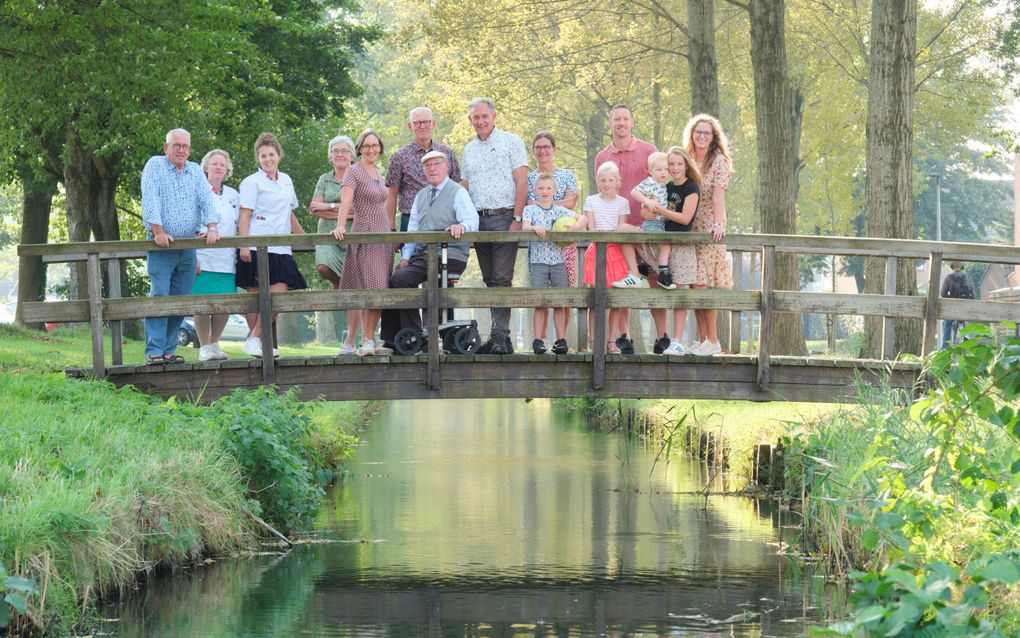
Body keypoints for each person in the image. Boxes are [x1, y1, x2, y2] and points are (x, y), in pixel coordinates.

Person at [379, 150, 478, 350]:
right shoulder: (421, 195)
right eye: (428, 166)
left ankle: (416, 336)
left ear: (446, 167)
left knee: (400, 280)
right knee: (394, 278)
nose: (432, 169)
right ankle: (394, 338)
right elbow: (413, 230)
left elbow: (472, 220)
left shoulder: (457, 191)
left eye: (437, 164)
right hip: (425, 256)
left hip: (451, 255)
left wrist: (462, 227)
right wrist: (405, 257)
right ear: (423, 170)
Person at [140, 128, 219, 365]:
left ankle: (168, 350)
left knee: (181, 299)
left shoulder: (195, 170)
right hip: (162, 246)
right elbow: (150, 198)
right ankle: (154, 351)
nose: (181, 150)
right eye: (176, 145)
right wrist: (158, 232)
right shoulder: (155, 165)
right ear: (166, 148)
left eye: (185, 146)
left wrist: (212, 226)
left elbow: (206, 198)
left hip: (188, 246)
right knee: (160, 295)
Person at [461, 97, 529, 354]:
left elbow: (522, 182)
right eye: (475, 117)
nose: (480, 121)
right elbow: (465, 187)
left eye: (484, 116)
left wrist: (517, 218)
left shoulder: (511, 141)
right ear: (470, 120)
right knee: (491, 279)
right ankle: (501, 336)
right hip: (478, 220)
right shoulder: (468, 149)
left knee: (502, 277)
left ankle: (499, 336)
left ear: (494, 116)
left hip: (505, 217)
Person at [594, 104, 662, 354]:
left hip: (648, 227)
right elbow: (602, 193)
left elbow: (660, 184)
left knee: (656, 280)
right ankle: (625, 337)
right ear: (610, 124)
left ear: (632, 122)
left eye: (625, 119)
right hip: (616, 231)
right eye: (616, 119)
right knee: (621, 282)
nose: (621, 123)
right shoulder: (602, 156)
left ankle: (662, 338)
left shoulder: (648, 150)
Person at [236, 132, 308, 358]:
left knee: (280, 294)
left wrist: (303, 237)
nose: (268, 159)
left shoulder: (286, 180)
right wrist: (244, 246)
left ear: (279, 156)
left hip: (282, 247)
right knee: (256, 296)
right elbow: (244, 216)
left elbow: (289, 212)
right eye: (263, 155)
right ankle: (259, 344)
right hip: (257, 245)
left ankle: (254, 339)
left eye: (271, 155)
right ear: (258, 158)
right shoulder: (251, 182)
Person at [331, 129, 396, 356]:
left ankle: (370, 337)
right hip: (366, 233)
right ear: (359, 149)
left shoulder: (378, 172)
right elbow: (346, 201)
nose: (371, 149)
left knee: (381, 288)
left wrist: (392, 234)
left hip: (383, 237)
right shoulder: (353, 171)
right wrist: (340, 225)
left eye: (375, 145)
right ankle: (365, 340)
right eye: (367, 146)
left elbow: (385, 206)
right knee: (371, 287)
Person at [683, 113, 733, 356]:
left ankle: (713, 339)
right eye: (698, 132)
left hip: (708, 228)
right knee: (694, 284)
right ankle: (702, 338)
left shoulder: (719, 161)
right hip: (688, 226)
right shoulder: (688, 159)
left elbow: (718, 196)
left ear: (714, 137)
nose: (701, 136)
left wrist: (718, 223)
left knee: (704, 283)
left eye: (706, 132)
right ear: (692, 135)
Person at [522, 173, 586, 354]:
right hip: (538, 261)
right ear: (535, 191)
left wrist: (574, 227)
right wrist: (534, 227)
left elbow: (583, 219)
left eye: (548, 188)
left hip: (558, 261)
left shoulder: (559, 211)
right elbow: (524, 226)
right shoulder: (531, 210)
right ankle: (538, 340)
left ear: (555, 191)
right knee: (540, 301)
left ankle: (560, 340)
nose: (545, 191)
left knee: (560, 301)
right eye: (541, 188)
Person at [309, 135, 360, 354]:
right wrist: (341, 207)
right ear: (331, 156)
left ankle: (350, 339)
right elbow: (313, 208)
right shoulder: (324, 179)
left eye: (344, 150)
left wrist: (330, 209)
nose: (339, 154)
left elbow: (359, 210)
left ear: (351, 155)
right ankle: (337, 281)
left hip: (353, 236)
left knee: (354, 288)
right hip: (327, 235)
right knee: (323, 267)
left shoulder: (359, 175)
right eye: (335, 151)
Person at [654, 147, 702, 355]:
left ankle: (678, 340)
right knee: (666, 286)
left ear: (686, 165)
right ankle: (664, 336)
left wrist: (660, 210)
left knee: (680, 289)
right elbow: (655, 212)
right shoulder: (666, 187)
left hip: (682, 244)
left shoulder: (691, 187)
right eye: (671, 164)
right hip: (665, 242)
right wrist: (649, 210)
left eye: (678, 164)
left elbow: (685, 218)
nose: (674, 168)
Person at [193, 149, 240, 362]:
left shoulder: (233, 195)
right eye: (214, 164)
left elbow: (240, 225)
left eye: (222, 164)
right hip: (203, 257)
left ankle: (214, 342)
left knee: (224, 304)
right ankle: (204, 346)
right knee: (203, 304)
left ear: (227, 169)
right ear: (206, 168)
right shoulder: (197, 191)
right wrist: (192, 256)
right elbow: (191, 223)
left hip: (227, 259)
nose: (219, 167)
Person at [581, 162, 632, 354]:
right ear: (597, 181)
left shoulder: (623, 203)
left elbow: (621, 228)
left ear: (618, 182)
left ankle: (611, 341)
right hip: (596, 250)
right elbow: (591, 227)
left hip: (615, 252)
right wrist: (599, 233)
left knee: (614, 299)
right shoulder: (591, 201)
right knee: (595, 297)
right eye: (602, 180)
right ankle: (593, 341)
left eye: (611, 180)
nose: (607, 183)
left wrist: (610, 234)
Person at [387, 107, 461, 232]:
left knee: (443, 252)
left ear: (433, 124)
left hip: (445, 220)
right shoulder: (399, 157)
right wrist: (391, 228)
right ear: (410, 126)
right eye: (417, 123)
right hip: (411, 219)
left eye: (426, 122)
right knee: (411, 252)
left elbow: (457, 187)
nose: (422, 126)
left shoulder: (447, 153)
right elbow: (392, 194)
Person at [614, 151, 675, 289]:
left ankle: (646, 267)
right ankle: (663, 274)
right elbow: (634, 192)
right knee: (665, 246)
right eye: (659, 170)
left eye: (666, 169)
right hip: (653, 224)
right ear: (650, 171)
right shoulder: (649, 182)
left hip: (661, 224)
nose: (663, 172)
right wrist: (647, 201)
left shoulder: (665, 185)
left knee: (665, 247)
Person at [528, 132, 579, 286]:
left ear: (554, 149)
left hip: (564, 239)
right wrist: (559, 202)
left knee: (565, 291)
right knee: (541, 295)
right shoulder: (530, 178)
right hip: (539, 242)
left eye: (546, 146)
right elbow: (530, 204)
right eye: (538, 147)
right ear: (533, 151)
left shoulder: (566, 174)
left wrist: (545, 204)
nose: (542, 150)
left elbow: (571, 202)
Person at [940, 261, 976, 349]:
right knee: (965, 323)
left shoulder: (948, 278)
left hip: (953, 308)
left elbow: (942, 294)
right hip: (965, 309)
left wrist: (952, 298)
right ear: (962, 266)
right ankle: (967, 345)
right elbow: (974, 296)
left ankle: (945, 348)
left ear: (952, 266)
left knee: (948, 324)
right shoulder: (968, 278)